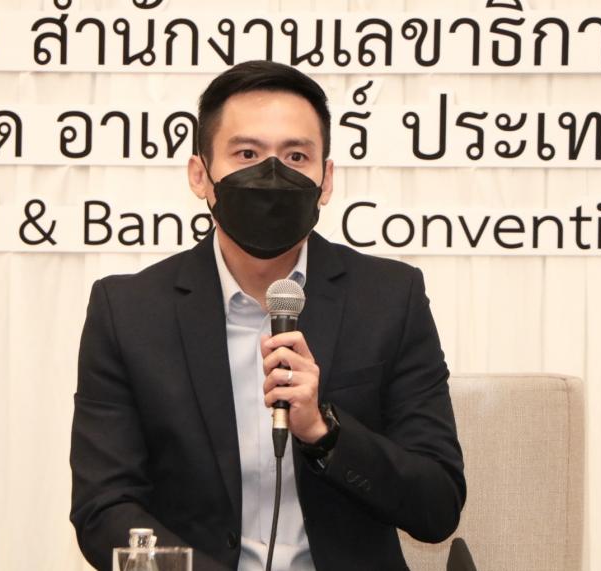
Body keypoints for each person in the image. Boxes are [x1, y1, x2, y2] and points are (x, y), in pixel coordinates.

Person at [70, 60, 465, 571]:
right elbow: (104, 510)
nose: (271, 174)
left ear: (325, 180)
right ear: (200, 175)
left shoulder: (390, 299)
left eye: (296, 156)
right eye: (247, 154)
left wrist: (324, 431)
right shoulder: (128, 312)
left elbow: (437, 505)